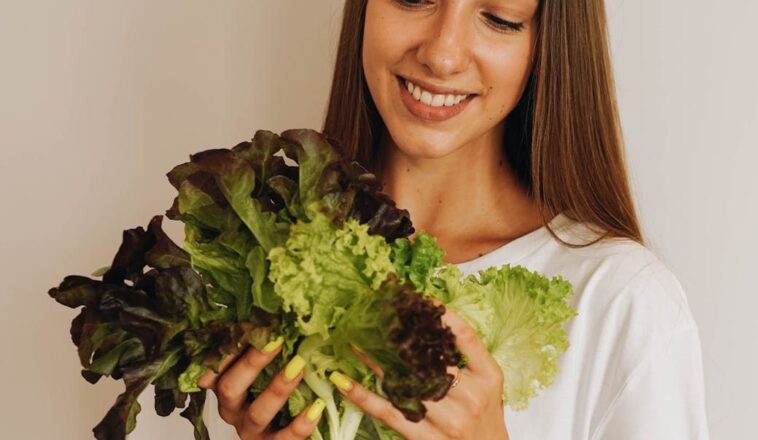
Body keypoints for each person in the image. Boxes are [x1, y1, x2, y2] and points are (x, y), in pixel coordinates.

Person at [197, 0, 711, 438]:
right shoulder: (265, 267)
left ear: (548, 44)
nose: (442, 55)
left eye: (500, 18)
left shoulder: (620, 298)